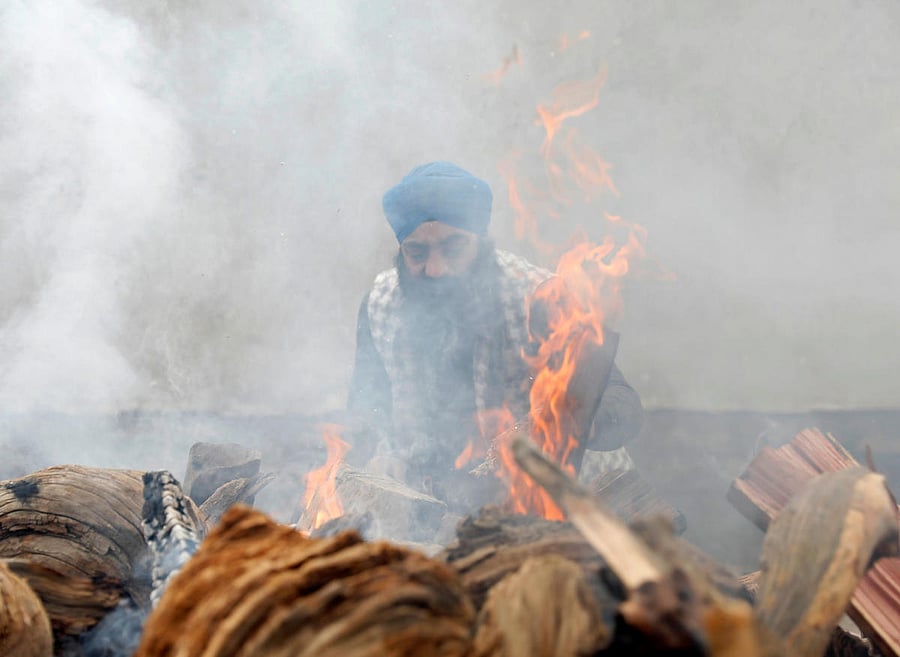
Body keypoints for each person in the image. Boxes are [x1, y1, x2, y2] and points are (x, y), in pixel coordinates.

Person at [348, 161, 643, 511]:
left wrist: (557, 425)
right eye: (417, 252)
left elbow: (623, 405)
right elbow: (366, 408)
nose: (436, 269)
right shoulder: (381, 305)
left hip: (574, 502)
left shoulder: (539, 298)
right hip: (453, 506)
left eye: (454, 247)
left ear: (480, 241)